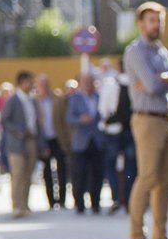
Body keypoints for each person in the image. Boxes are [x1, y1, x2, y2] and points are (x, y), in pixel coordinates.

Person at [123, 1, 168, 239]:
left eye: (158, 20)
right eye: (150, 20)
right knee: (148, 177)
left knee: (165, 180)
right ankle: (138, 237)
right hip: (147, 118)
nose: (155, 25)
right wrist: (162, 79)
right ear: (140, 23)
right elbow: (150, 85)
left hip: (167, 118)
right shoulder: (135, 51)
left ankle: (160, 236)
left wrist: (164, 78)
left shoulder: (160, 50)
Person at [98, 65, 136, 214]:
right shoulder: (135, 84)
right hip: (131, 130)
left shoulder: (110, 85)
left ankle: (115, 197)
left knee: (111, 166)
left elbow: (102, 109)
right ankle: (128, 199)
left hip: (113, 131)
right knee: (130, 167)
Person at [1, 71, 40, 218]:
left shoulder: (32, 100)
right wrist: (19, 131)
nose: (31, 85)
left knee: (28, 174)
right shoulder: (13, 99)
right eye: (30, 82)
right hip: (17, 143)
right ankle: (17, 206)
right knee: (17, 174)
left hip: (31, 140)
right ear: (22, 82)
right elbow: (5, 120)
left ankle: (25, 204)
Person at [67, 73, 105, 214]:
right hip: (80, 142)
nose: (88, 85)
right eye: (85, 82)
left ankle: (96, 203)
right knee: (79, 174)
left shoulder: (99, 97)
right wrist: (80, 120)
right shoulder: (74, 99)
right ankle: (79, 204)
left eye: (90, 82)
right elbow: (69, 118)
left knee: (97, 173)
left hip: (97, 140)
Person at [35, 75, 69, 210]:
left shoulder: (58, 99)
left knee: (61, 170)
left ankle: (62, 199)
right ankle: (50, 200)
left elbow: (64, 121)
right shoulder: (35, 102)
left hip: (57, 138)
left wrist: (67, 140)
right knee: (47, 171)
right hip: (44, 140)